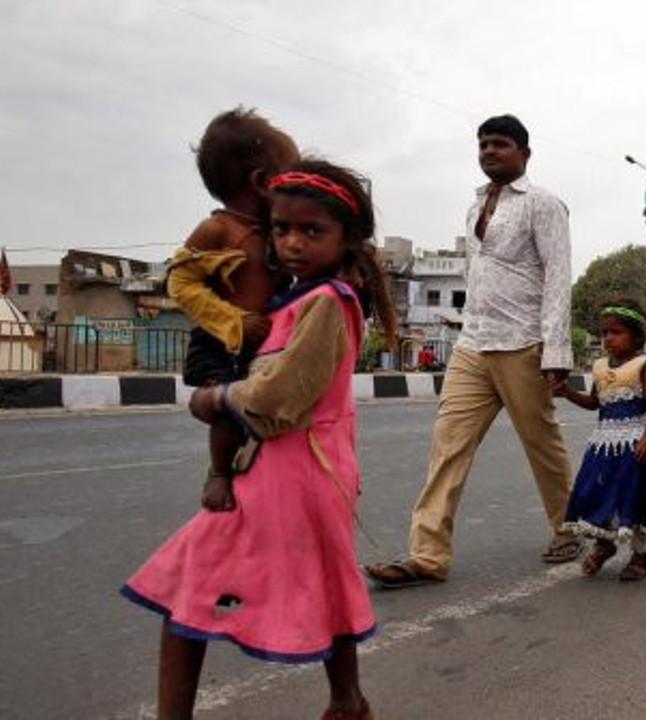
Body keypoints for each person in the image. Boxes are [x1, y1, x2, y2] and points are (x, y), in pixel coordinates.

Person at [123, 160, 396, 720]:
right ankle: (348, 702)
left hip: (296, 471)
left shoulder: (327, 301)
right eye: (281, 229)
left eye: (312, 231)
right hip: (299, 471)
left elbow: (280, 398)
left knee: (192, 585)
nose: (293, 242)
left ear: (347, 237)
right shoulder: (295, 298)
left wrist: (214, 399)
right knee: (325, 584)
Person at [365, 114, 580, 588]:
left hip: (522, 342)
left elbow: (558, 277)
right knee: (448, 445)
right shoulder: (476, 204)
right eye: (482, 145)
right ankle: (427, 554)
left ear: (524, 152)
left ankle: (570, 528)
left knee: (542, 444)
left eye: (499, 144)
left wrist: (556, 352)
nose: (488, 152)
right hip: (472, 342)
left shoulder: (544, 204)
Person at [167, 108, 299, 514]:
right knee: (227, 407)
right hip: (222, 338)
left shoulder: (278, 232)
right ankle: (219, 472)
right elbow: (180, 282)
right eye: (291, 177)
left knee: (262, 407)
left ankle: (259, 471)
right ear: (262, 183)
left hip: (264, 340)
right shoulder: (218, 230)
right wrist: (233, 320)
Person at [554, 298, 646, 581]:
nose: (608, 338)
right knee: (592, 492)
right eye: (604, 332)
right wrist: (567, 393)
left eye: (615, 332)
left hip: (636, 445)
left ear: (636, 336)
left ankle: (640, 557)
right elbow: (595, 403)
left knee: (633, 497)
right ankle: (604, 544)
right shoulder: (598, 367)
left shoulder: (643, 365)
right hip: (602, 445)